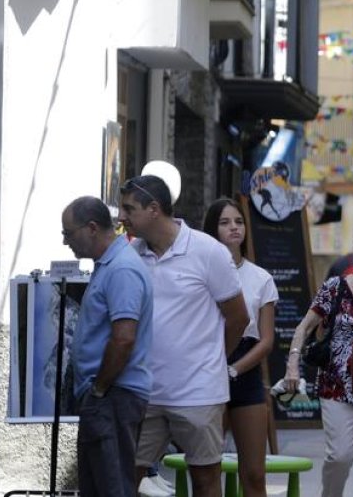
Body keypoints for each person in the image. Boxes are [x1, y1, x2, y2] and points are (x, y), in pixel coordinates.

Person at [119, 176, 249, 497]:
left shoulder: (208, 251)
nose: (122, 217)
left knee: (205, 481)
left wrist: (212, 359)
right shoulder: (131, 254)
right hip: (144, 392)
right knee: (124, 477)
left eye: (129, 209)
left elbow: (238, 318)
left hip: (198, 394)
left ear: (154, 209)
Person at [286, 225, 353, 496]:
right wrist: (292, 364)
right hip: (336, 385)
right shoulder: (335, 287)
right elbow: (304, 327)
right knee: (340, 456)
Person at [63, 196, 154, 497]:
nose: (65, 241)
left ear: (91, 228)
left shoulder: (121, 268)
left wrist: (99, 389)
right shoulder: (110, 265)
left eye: (68, 233)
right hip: (107, 396)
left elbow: (124, 338)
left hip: (113, 395)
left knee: (112, 488)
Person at [202, 198, 277, 497]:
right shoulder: (201, 272)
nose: (234, 227)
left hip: (245, 370)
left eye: (239, 221)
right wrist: (216, 368)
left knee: (255, 474)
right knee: (207, 470)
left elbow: (266, 340)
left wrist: (233, 369)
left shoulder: (261, 277)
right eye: (224, 222)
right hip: (207, 365)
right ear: (213, 229)